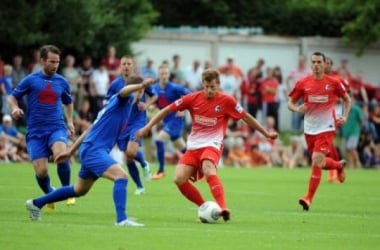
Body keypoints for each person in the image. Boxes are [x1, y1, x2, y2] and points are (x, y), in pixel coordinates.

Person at [135, 68, 278, 222]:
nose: (209, 90)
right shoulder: (192, 98)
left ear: (218, 85)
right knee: (178, 178)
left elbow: (247, 117)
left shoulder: (227, 101)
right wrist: (147, 127)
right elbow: (166, 110)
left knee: (208, 168)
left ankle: (223, 207)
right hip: (193, 147)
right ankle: (205, 207)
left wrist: (266, 133)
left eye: (213, 87)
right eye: (206, 87)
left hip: (212, 145)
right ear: (202, 84)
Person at [25, 76, 155, 226]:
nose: (141, 96)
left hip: (90, 149)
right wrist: (140, 86)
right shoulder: (122, 100)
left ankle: (36, 203)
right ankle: (122, 219)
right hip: (94, 150)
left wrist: (71, 151)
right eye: (141, 91)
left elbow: (90, 129)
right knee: (121, 177)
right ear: (138, 90)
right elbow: (124, 91)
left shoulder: (119, 106)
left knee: (78, 190)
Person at [8, 45, 76, 210]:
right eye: (52, 61)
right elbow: (12, 97)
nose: (55, 65)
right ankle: (50, 195)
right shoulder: (31, 79)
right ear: (42, 61)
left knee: (61, 155)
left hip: (56, 127)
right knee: (41, 172)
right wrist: (14, 108)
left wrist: (70, 122)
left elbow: (68, 102)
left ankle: (67, 192)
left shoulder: (61, 81)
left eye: (57, 62)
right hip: (36, 132)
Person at [288, 51, 352, 211]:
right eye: (314, 62)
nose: (316, 65)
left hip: (327, 128)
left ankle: (308, 198)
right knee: (321, 163)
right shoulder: (303, 83)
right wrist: (297, 109)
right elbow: (290, 102)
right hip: (309, 129)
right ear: (311, 65)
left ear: (325, 64)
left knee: (316, 160)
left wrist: (344, 116)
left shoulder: (334, 82)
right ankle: (338, 165)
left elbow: (347, 99)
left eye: (319, 62)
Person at [105, 55, 157, 195]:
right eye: (124, 64)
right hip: (123, 122)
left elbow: (154, 95)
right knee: (128, 157)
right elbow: (107, 100)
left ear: (133, 66)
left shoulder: (139, 81)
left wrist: (146, 104)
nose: (126, 66)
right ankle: (140, 186)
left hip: (138, 120)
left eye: (129, 64)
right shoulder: (116, 84)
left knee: (131, 152)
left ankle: (145, 164)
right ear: (120, 66)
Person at [150, 65, 191, 180]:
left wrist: (183, 108)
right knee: (184, 150)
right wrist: (153, 105)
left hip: (176, 121)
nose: (164, 76)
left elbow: (191, 95)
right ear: (158, 75)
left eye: (166, 73)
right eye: (162, 73)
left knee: (159, 140)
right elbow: (158, 101)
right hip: (167, 121)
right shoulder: (155, 88)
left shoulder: (174, 88)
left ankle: (161, 170)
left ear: (169, 75)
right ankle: (201, 168)